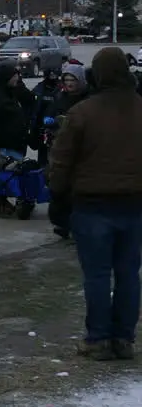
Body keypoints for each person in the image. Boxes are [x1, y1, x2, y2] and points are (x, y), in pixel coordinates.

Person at [48, 47, 142, 361]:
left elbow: (61, 160)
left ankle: (98, 338)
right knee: (129, 273)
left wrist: (57, 193)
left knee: (98, 275)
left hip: (92, 204)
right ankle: (124, 339)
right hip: (134, 204)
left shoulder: (83, 113)